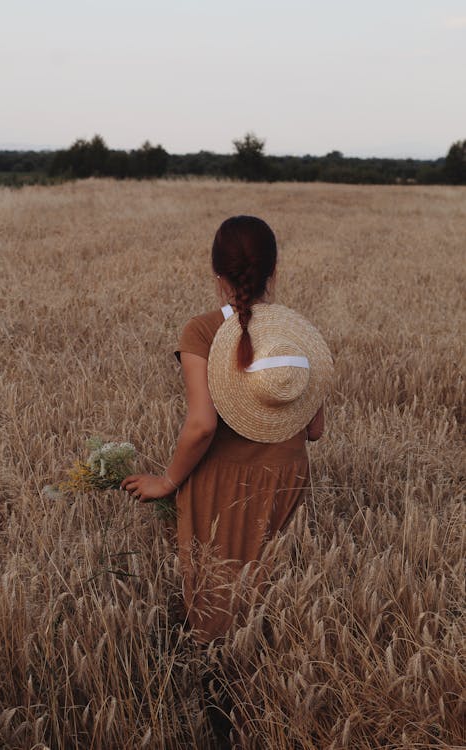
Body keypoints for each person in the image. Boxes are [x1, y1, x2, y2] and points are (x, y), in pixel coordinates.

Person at [121, 215, 333, 646]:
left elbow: (202, 425)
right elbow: (314, 429)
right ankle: (267, 673)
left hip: (224, 477)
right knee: (267, 590)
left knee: (214, 600)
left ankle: (217, 685)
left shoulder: (202, 330)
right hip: (287, 475)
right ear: (274, 271)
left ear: (217, 275)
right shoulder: (295, 336)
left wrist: (168, 480)